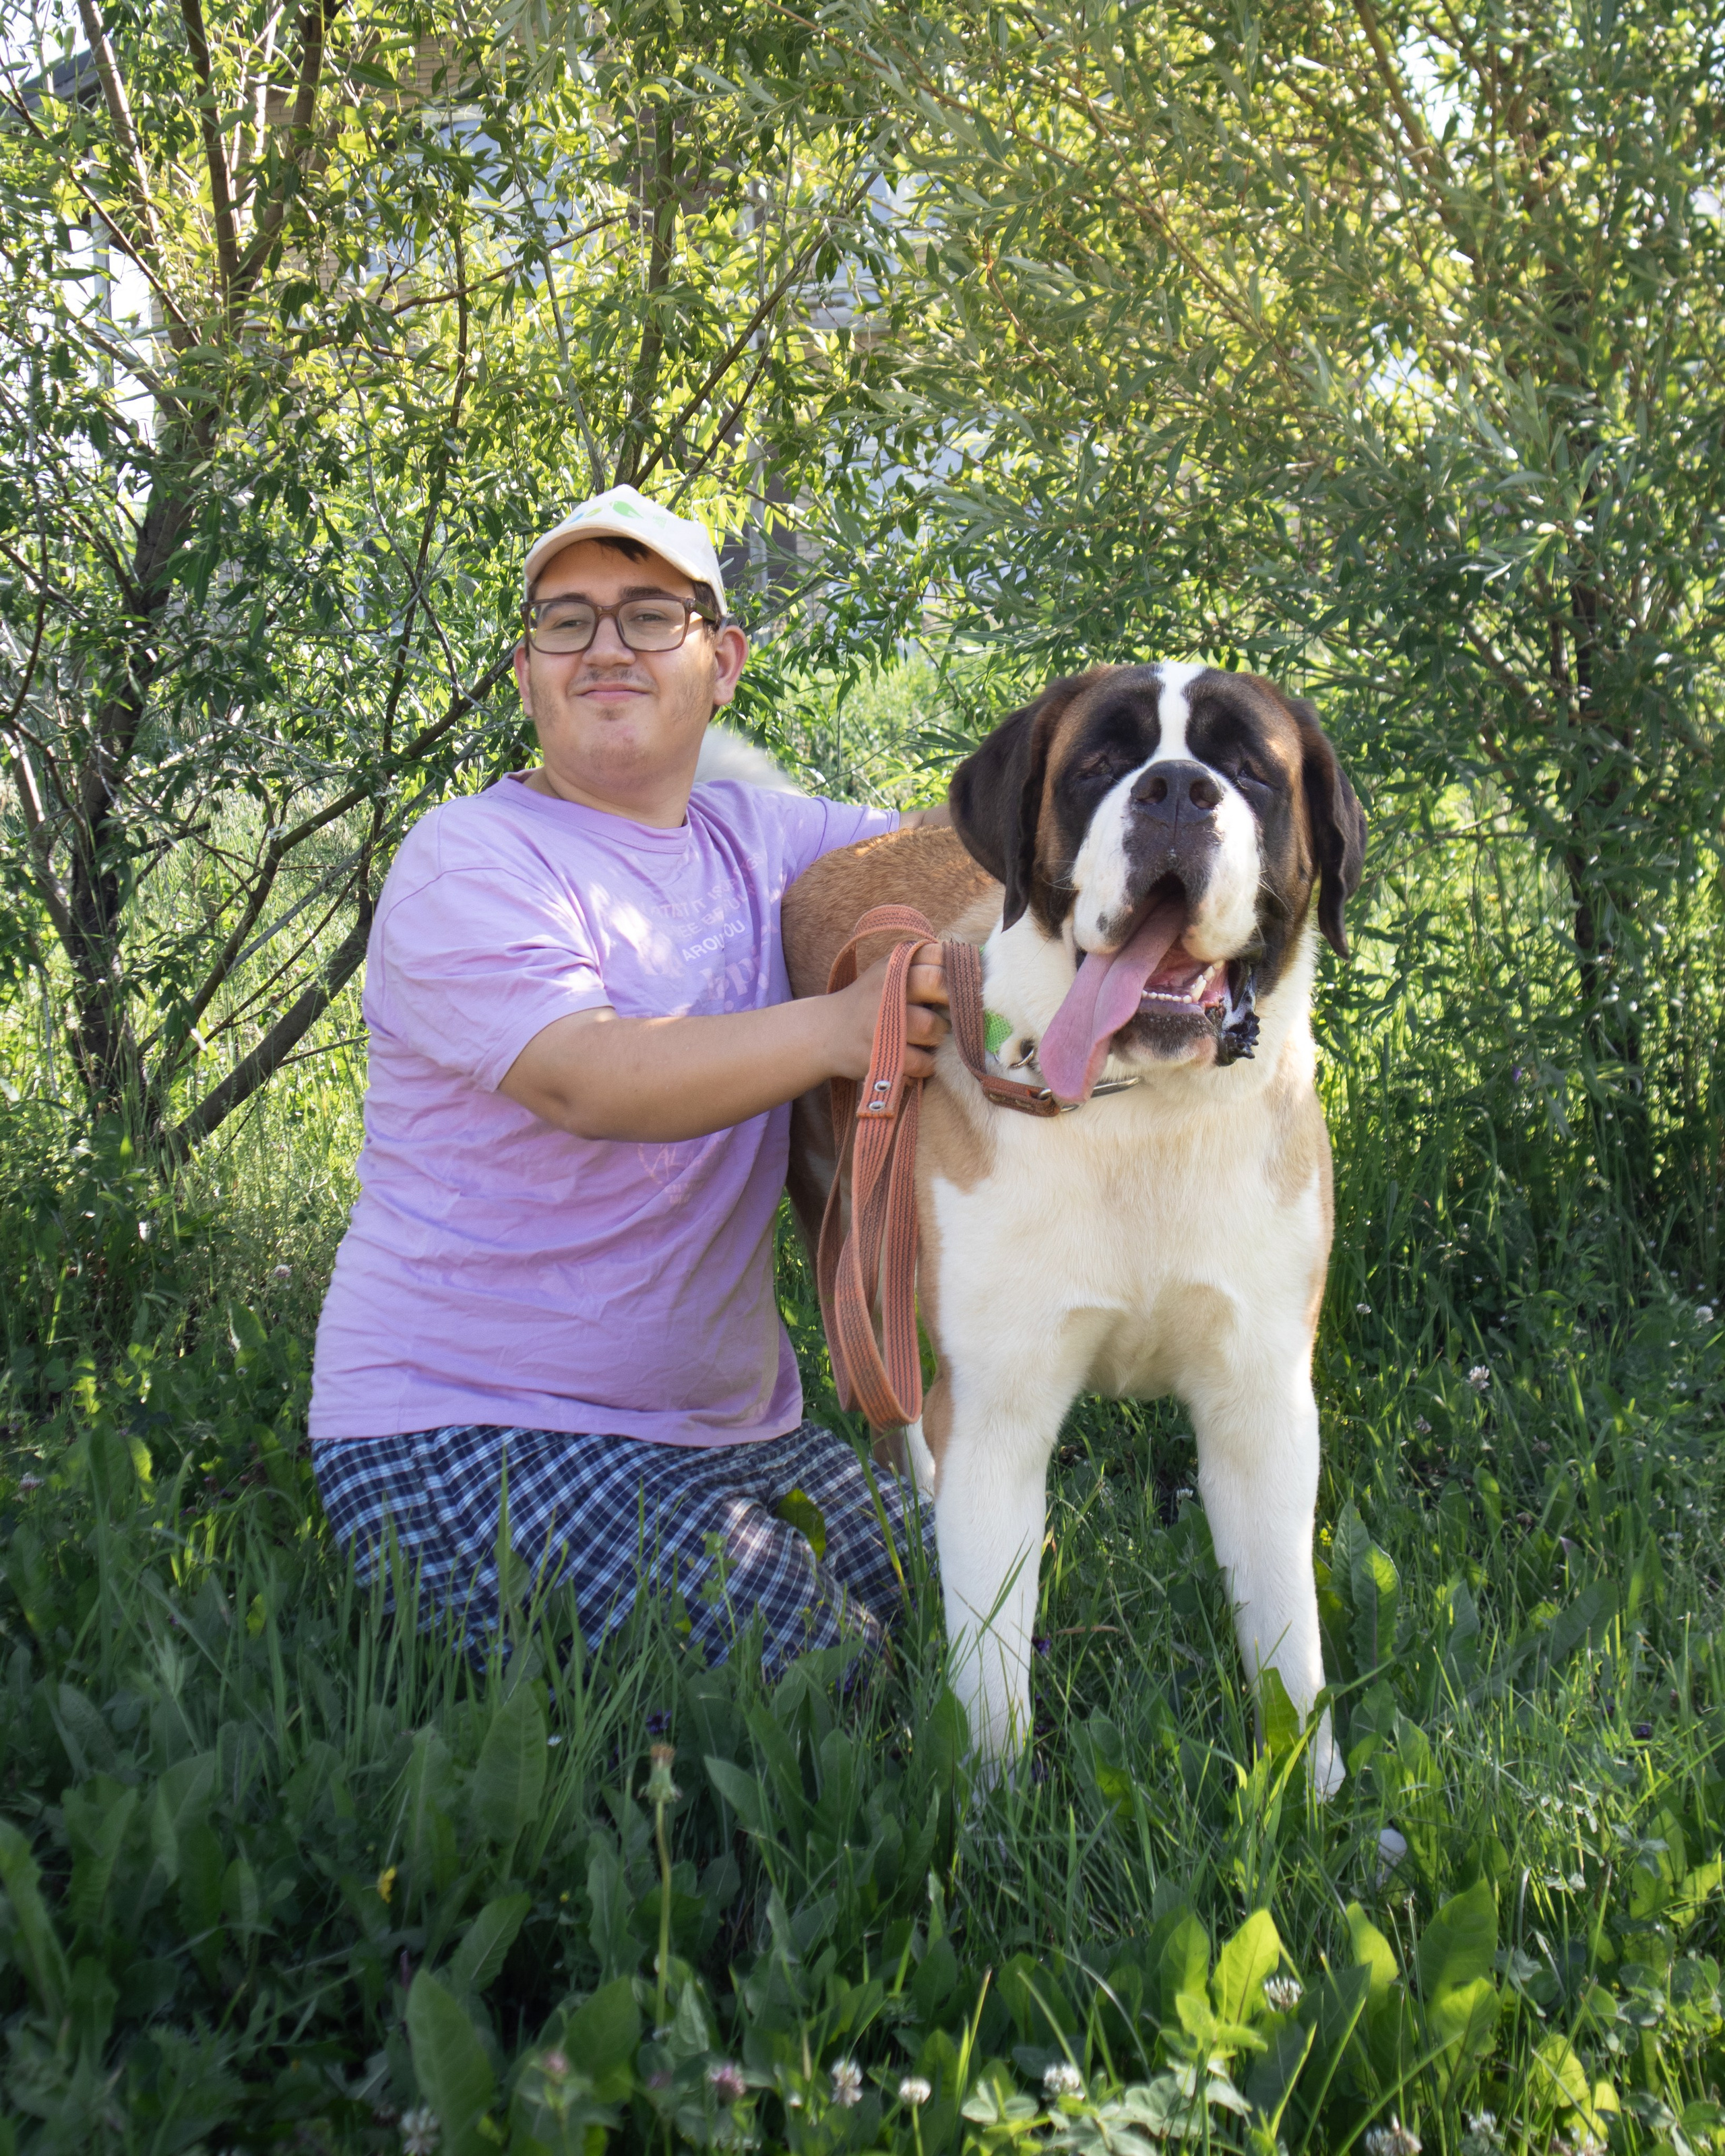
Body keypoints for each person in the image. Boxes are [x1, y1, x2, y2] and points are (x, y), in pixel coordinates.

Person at [309, 485, 952, 1676]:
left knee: (988, 1605)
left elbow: (944, 845)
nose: (605, 646)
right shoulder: (470, 857)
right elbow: (591, 1079)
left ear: (723, 661)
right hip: (470, 1431)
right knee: (831, 1688)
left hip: (729, 1438)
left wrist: (1106, 787)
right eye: (568, 621)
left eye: (650, 615)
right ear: (526, 670)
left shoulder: (759, 840)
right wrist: (836, 1028)